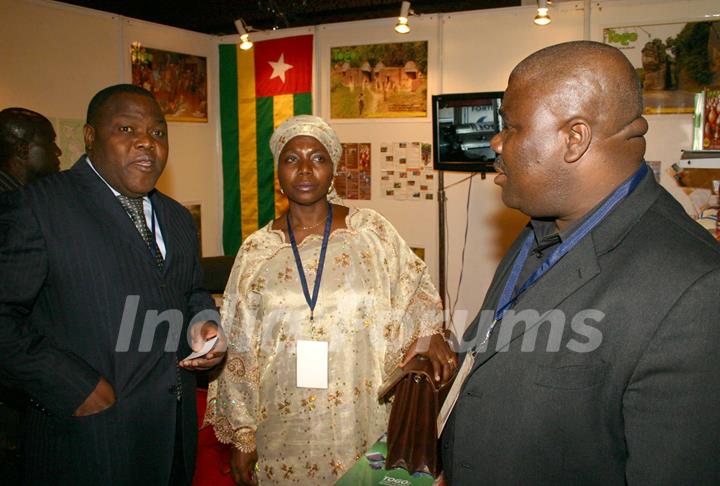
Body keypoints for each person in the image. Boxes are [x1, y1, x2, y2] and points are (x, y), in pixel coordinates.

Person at [441, 41, 720, 484]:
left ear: (574, 138)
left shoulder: (695, 292)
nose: (495, 142)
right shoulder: (543, 225)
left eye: (511, 127)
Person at [204, 115, 456, 485]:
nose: (305, 169)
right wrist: (243, 433)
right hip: (281, 419)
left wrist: (429, 333)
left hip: (359, 413)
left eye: (318, 158)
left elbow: (415, 291)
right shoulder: (257, 250)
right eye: (292, 159)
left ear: (333, 169)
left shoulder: (371, 233)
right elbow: (239, 346)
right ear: (277, 172)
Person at [0, 84, 226, 485]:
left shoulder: (174, 217)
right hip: (87, 442)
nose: (146, 143)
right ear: (90, 137)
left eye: (158, 133)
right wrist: (72, 386)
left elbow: (190, 292)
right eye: (126, 130)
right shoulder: (39, 207)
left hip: (171, 438)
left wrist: (203, 325)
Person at [0, 107, 61, 481]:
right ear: (23, 151)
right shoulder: (13, 211)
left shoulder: (30, 200)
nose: (57, 154)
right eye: (49, 144)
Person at [0, 107, 61, 192]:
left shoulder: (28, 193)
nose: (58, 152)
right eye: (50, 142)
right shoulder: (8, 200)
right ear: (22, 150)